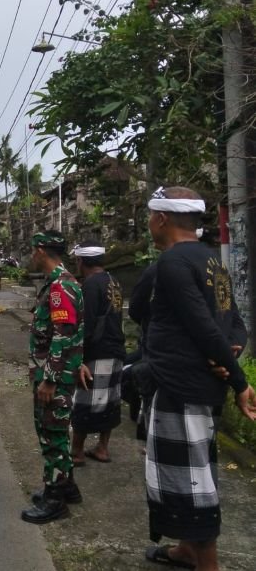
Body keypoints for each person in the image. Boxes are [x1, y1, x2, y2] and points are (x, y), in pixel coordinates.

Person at [140, 186, 256, 571]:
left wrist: (239, 381)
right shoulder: (211, 261)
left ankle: (208, 564)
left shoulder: (172, 263)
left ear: (161, 219)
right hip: (199, 383)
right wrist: (231, 353)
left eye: (149, 218)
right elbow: (235, 325)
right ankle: (188, 549)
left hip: (181, 387)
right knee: (190, 473)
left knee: (191, 484)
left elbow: (205, 328)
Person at [21, 230, 84, 525]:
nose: (32, 255)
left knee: (52, 433)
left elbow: (63, 334)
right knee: (55, 429)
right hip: (59, 371)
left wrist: (50, 378)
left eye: (34, 250)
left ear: (42, 251)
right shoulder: (58, 283)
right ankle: (67, 486)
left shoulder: (60, 287)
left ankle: (55, 498)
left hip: (54, 376)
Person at [70, 240, 126, 466]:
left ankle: (77, 451)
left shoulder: (91, 286)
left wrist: (77, 355)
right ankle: (102, 447)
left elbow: (88, 323)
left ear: (81, 261)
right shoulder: (113, 281)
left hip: (97, 351)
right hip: (116, 349)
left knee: (84, 400)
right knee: (109, 401)